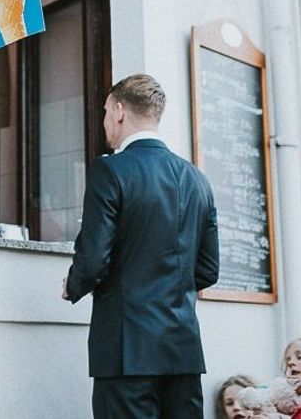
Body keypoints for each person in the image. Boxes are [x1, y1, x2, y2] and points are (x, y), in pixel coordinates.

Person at [63, 73, 220, 419]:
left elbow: (93, 261)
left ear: (119, 110)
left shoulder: (111, 171)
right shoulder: (198, 180)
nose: (104, 121)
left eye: (105, 111)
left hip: (126, 350)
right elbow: (208, 270)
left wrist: (72, 285)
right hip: (183, 351)